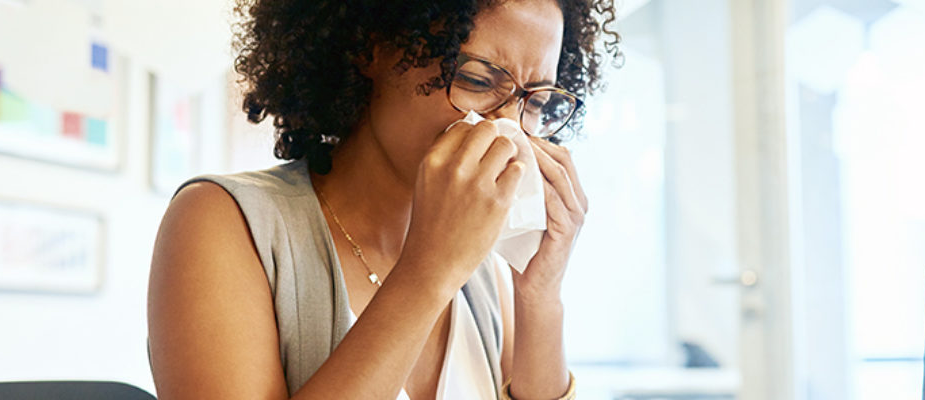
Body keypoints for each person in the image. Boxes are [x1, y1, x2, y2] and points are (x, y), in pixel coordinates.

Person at [147, 0, 620, 398]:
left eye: (533, 103)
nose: (509, 129)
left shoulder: (486, 272)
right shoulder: (220, 222)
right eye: (477, 80)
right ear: (371, 47)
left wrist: (540, 297)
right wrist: (428, 272)